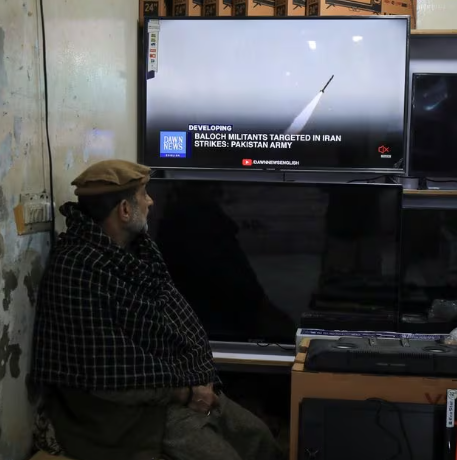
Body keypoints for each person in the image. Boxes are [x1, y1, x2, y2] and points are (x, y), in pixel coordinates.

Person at [31, 160, 283, 460]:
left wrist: (196, 381)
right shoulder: (76, 271)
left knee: (260, 439)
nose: (150, 201)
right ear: (124, 210)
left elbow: (174, 324)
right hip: (127, 415)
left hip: (175, 385)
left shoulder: (139, 252)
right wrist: (187, 392)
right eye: (143, 194)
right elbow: (108, 378)